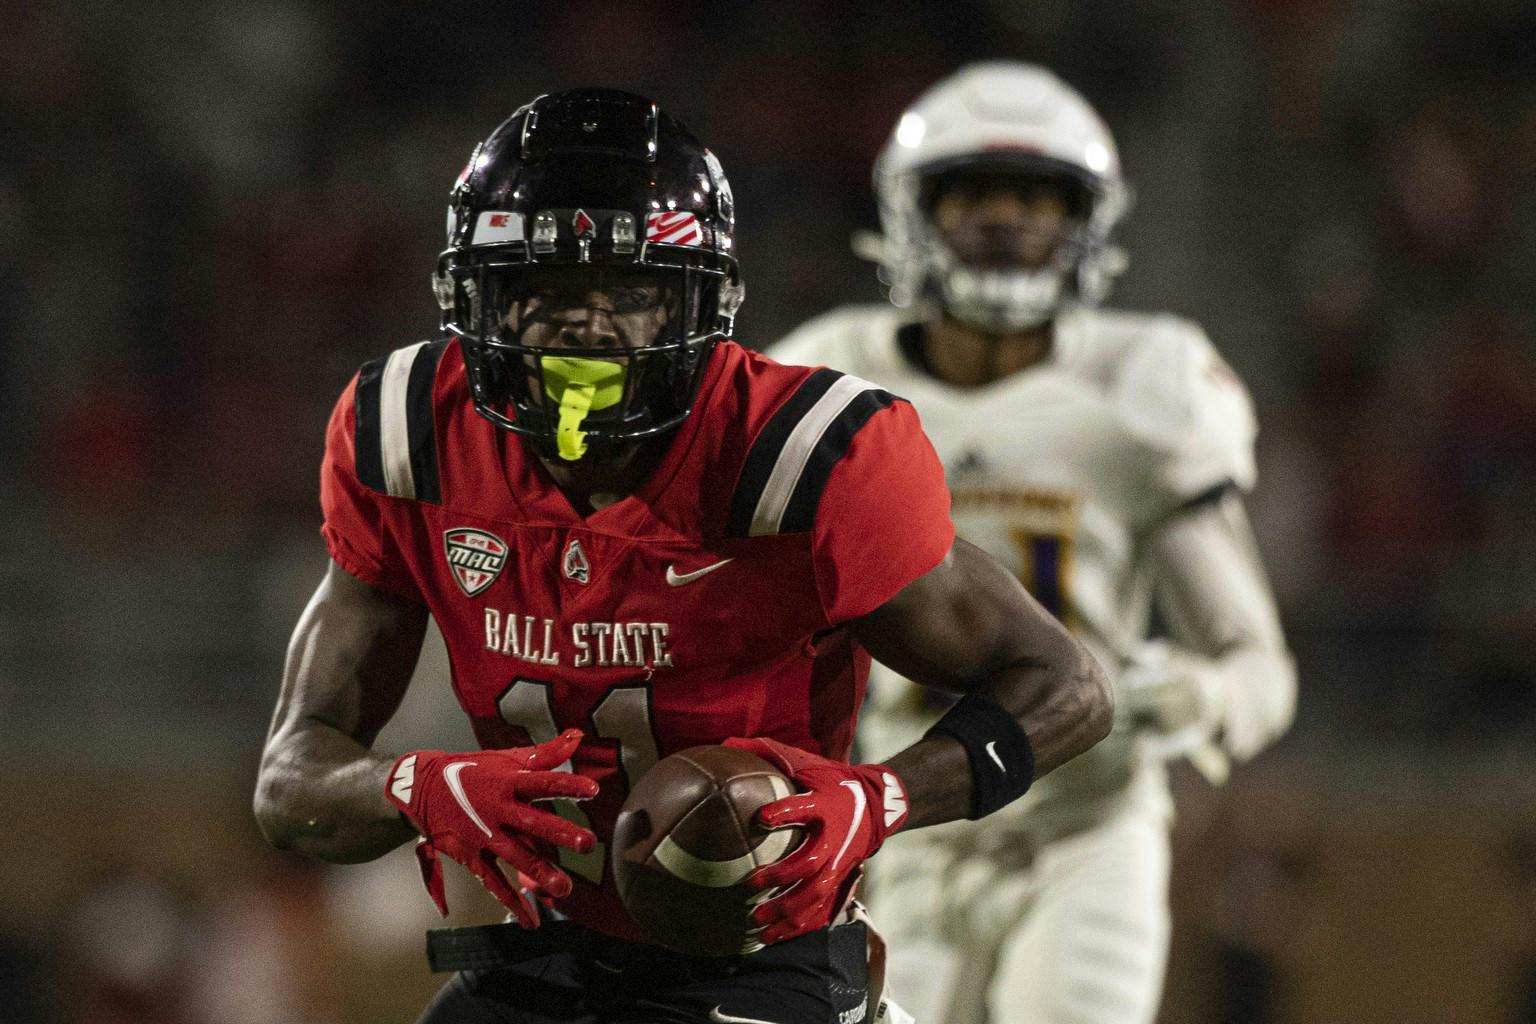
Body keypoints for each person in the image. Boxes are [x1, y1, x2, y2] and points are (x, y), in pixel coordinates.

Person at [253, 87, 1113, 1024]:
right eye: (542, 291)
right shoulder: (407, 432)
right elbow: (289, 785)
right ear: (475, 297)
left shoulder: (802, 458)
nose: (587, 328)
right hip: (541, 955)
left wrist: (882, 797)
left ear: (702, 301)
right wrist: (421, 788)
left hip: (758, 957)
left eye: (632, 293)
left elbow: (1067, 687)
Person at [771, 62, 1297, 1024]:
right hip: (910, 819)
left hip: (1085, 828)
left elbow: (1259, 667)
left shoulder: (1143, 382)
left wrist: (1201, 693)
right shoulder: (834, 371)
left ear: (1088, 221)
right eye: (971, 191)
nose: (1005, 220)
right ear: (910, 211)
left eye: (1037, 196)